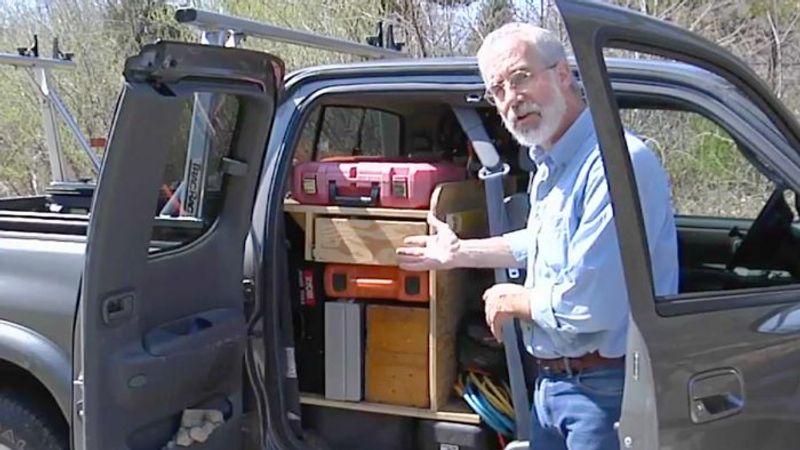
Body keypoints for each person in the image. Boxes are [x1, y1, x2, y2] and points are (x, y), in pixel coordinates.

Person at [396, 22, 679, 450]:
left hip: (606, 391)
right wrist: (458, 252)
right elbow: (540, 242)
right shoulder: (552, 165)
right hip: (554, 386)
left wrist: (511, 300)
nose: (511, 99)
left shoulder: (615, 164)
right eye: (499, 89)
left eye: (520, 77)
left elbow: (590, 305)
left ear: (562, 73)